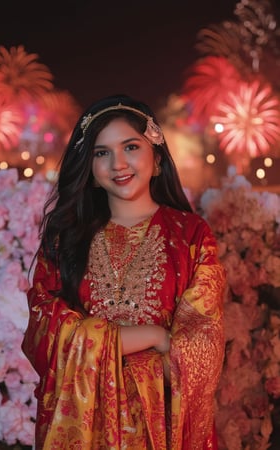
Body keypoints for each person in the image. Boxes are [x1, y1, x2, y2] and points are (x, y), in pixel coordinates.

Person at [22, 94, 226, 450]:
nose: (118, 163)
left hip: (159, 428)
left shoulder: (192, 235)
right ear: (90, 169)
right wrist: (153, 337)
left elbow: (202, 341)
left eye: (130, 146)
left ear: (157, 157)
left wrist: (107, 346)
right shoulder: (66, 237)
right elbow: (44, 330)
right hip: (84, 427)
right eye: (102, 153)